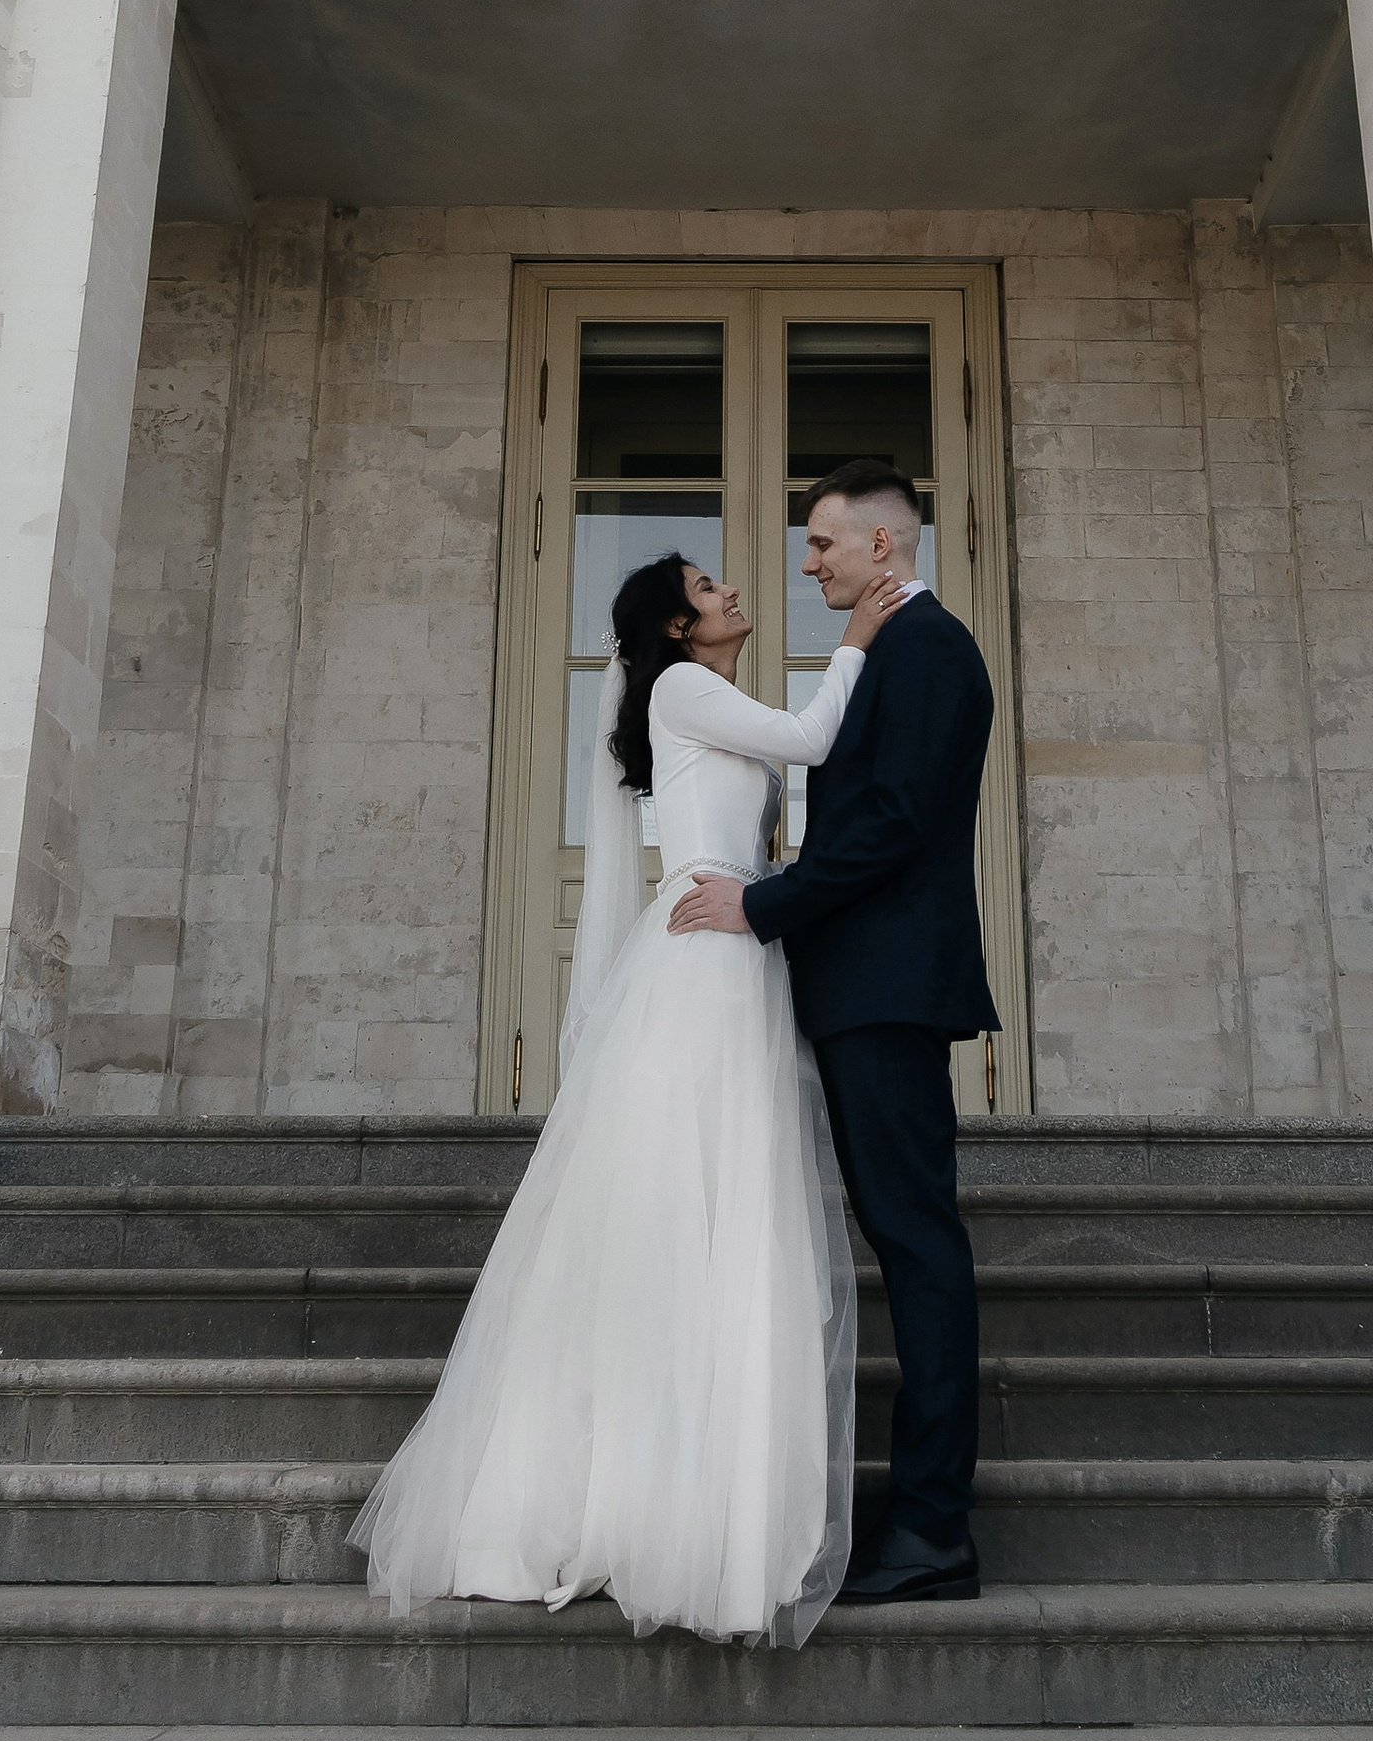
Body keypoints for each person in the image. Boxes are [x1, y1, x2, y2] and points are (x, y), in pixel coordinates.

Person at [351, 544, 902, 1645]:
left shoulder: (704, 690)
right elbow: (811, 738)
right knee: (696, 1201)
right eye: (709, 587)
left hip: (734, 944)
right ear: (674, 626)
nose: (734, 591)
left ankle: (697, 1503)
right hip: (704, 957)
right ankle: (662, 1505)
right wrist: (854, 641)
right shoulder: (688, 688)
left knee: (713, 1205)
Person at [669, 455, 999, 1608]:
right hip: (860, 983)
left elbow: (893, 825)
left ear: (882, 548)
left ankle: (932, 1528)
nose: (806, 560)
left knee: (916, 1243)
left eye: (820, 542)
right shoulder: (893, 649)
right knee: (905, 1239)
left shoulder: (925, 648)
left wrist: (762, 904)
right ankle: (918, 1517)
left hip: (889, 986)